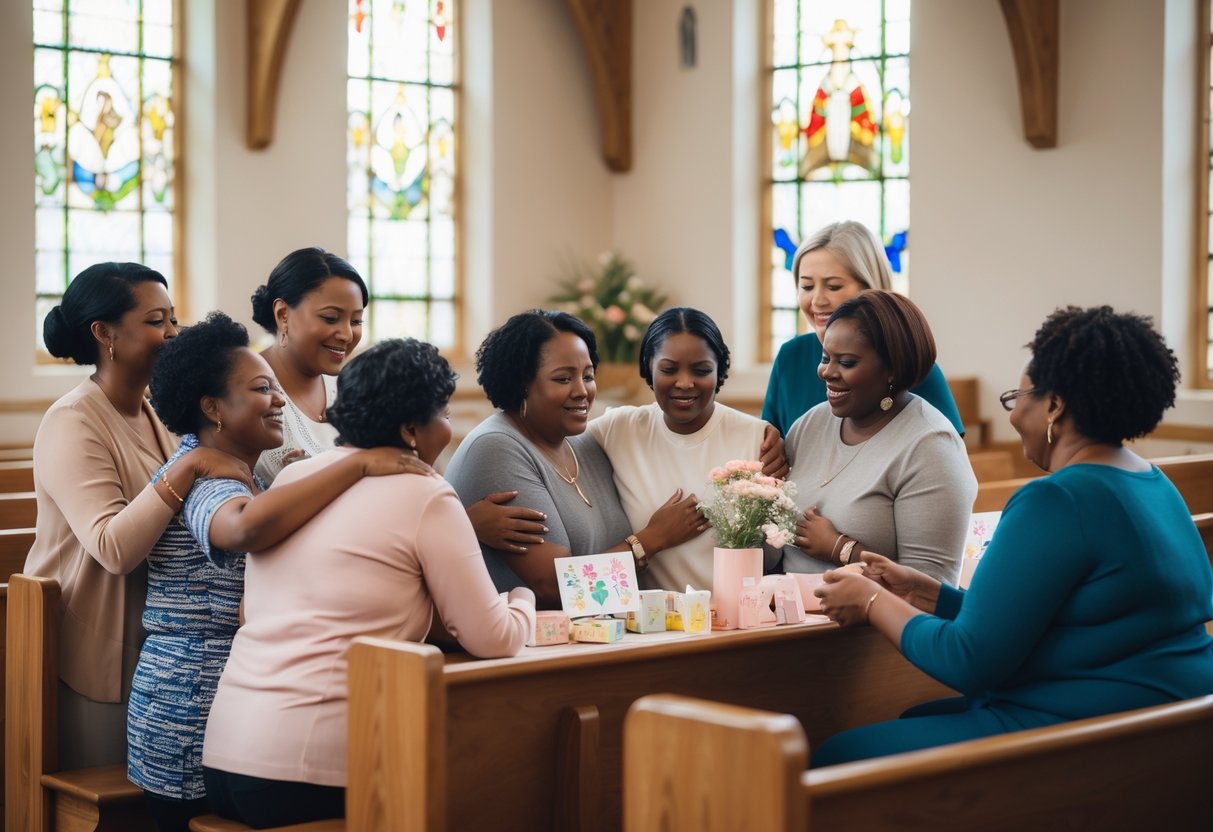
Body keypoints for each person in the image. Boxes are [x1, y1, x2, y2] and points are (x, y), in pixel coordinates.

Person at [812, 306, 1213, 766]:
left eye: (1017, 397)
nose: (1013, 414)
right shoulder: (1155, 484)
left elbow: (969, 662)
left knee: (838, 754)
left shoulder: (1058, 499)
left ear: (1054, 406)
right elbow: (1058, 621)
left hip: (1094, 734)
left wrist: (870, 601)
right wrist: (928, 594)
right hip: (1176, 713)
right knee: (918, 714)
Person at [202, 338, 535, 828]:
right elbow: (494, 637)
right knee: (494, 790)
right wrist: (521, 599)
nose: (450, 426)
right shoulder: (424, 493)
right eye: (443, 412)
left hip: (225, 757)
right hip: (309, 770)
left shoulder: (297, 479)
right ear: (410, 430)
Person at [128, 313, 420, 831]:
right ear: (213, 408)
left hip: (235, 705)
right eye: (264, 388)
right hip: (191, 707)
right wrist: (353, 464)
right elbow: (240, 531)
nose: (281, 399)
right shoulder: (205, 476)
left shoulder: (235, 469)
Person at [24, 263, 250, 769]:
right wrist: (190, 465)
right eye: (155, 321)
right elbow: (114, 548)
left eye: (173, 319)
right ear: (103, 333)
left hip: (163, 644)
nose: (172, 334)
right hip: (95, 640)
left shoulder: (156, 411)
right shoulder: (71, 421)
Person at [250, 246, 545, 550]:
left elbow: (397, 478)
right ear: (282, 314)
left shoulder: (353, 385)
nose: (345, 334)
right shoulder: (246, 393)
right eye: (330, 318)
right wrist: (464, 523)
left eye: (355, 321)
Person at [445, 310, 706, 608]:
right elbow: (554, 587)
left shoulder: (584, 443)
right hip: (529, 646)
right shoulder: (495, 450)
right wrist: (653, 539)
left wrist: (763, 439)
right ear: (521, 384)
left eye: (588, 375)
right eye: (563, 378)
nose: (582, 391)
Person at [781, 290, 975, 583]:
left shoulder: (930, 446)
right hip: (781, 618)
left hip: (867, 627)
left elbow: (932, 585)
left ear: (892, 370)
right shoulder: (811, 424)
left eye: (846, 363)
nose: (826, 372)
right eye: (826, 358)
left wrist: (842, 549)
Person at [589, 307, 783, 590]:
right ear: (648, 366)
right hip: (651, 626)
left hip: (736, 624)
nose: (684, 383)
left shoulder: (756, 438)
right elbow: (547, 450)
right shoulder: (618, 429)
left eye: (701, 370)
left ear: (720, 371)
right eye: (668, 369)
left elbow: (776, 551)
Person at [761, 220, 963, 437]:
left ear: (869, 287)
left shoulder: (908, 361)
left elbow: (946, 450)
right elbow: (771, 443)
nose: (817, 300)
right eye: (807, 286)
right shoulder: (791, 356)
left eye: (833, 286)